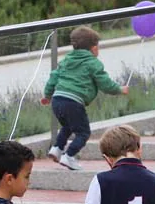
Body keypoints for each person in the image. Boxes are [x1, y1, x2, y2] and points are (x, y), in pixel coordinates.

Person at [42, 26, 128, 171]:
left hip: (57, 100)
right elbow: (105, 84)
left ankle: (57, 148)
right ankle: (68, 156)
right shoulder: (93, 63)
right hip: (74, 102)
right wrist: (120, 89)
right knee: (83, 132)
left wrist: (47, 95)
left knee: (68, 126)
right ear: (94, 49)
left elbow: (54, 77)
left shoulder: (66, 60)